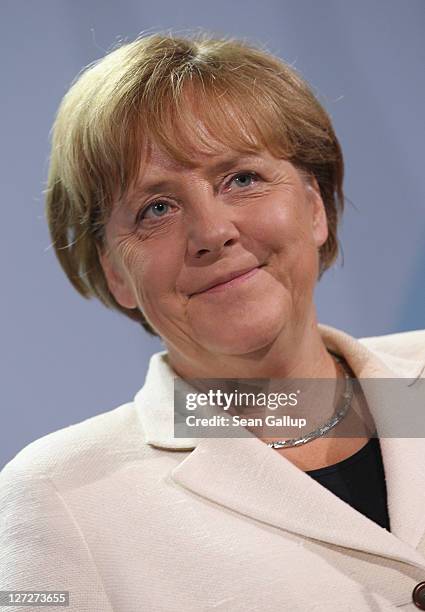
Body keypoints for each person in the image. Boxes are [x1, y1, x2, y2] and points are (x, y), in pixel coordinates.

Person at [1, 31, 424, 612]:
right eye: (156, 208)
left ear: (315, 206)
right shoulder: (62, 496)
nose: (212, 232)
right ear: (116, 274)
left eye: (241, 179)